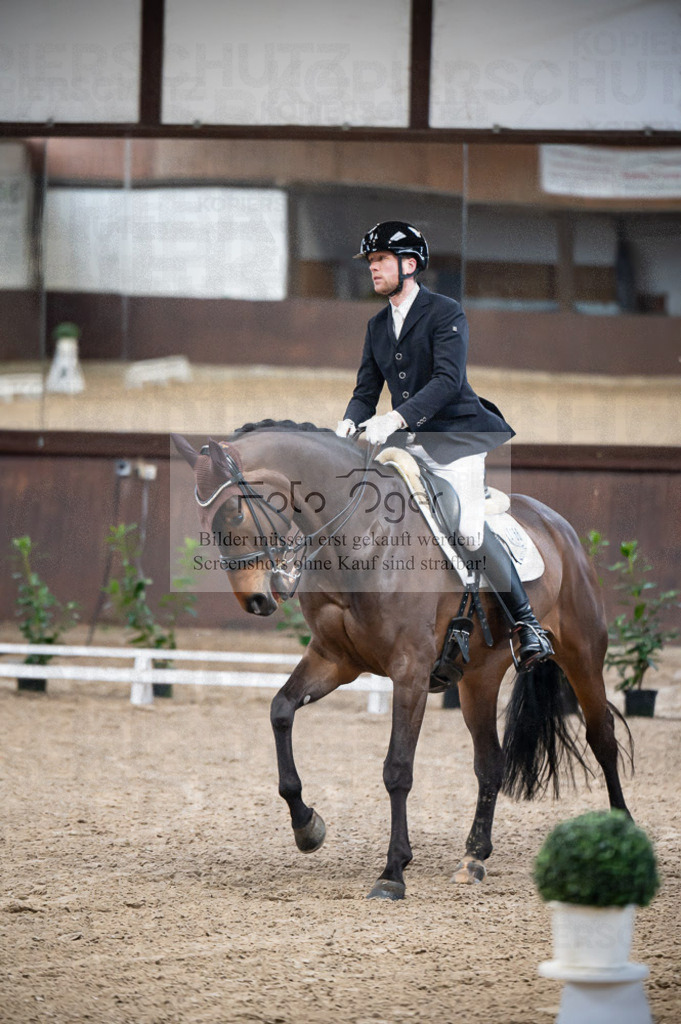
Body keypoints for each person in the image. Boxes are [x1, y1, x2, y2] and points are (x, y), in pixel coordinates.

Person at [336, 220, 553, 669]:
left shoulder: (445, 312)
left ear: (409, 264)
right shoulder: (377, 326)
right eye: (371, 262)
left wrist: (394, 418)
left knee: (466, 528)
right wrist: (347, 426)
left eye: (380, 261)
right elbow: (365, 391)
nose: (373, 269)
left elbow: (447, 381)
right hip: (408, 443)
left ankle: (527, 623)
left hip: (456, 438)